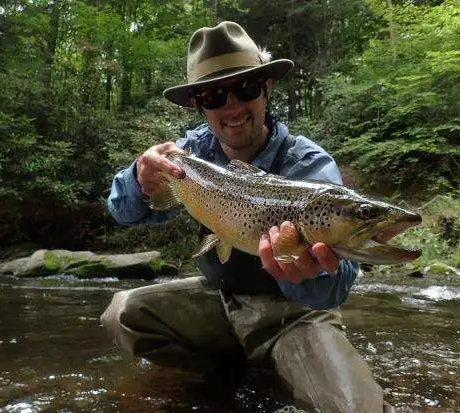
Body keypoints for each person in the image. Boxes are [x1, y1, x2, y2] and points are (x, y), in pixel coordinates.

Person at [101, 21, 393, 413]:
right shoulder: (188, 158)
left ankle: (272, 364)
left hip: (293, 317)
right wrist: (138, 178)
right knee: (124, 313)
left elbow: (334, 291)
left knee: (357, 409)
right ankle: (222, 378)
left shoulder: (307, 164)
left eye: (247, 88)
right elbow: (122, 213)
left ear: (267, 89)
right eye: (215, 95)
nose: (233, 106)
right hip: (219, 303)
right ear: (199, 105)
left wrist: (310, 273)